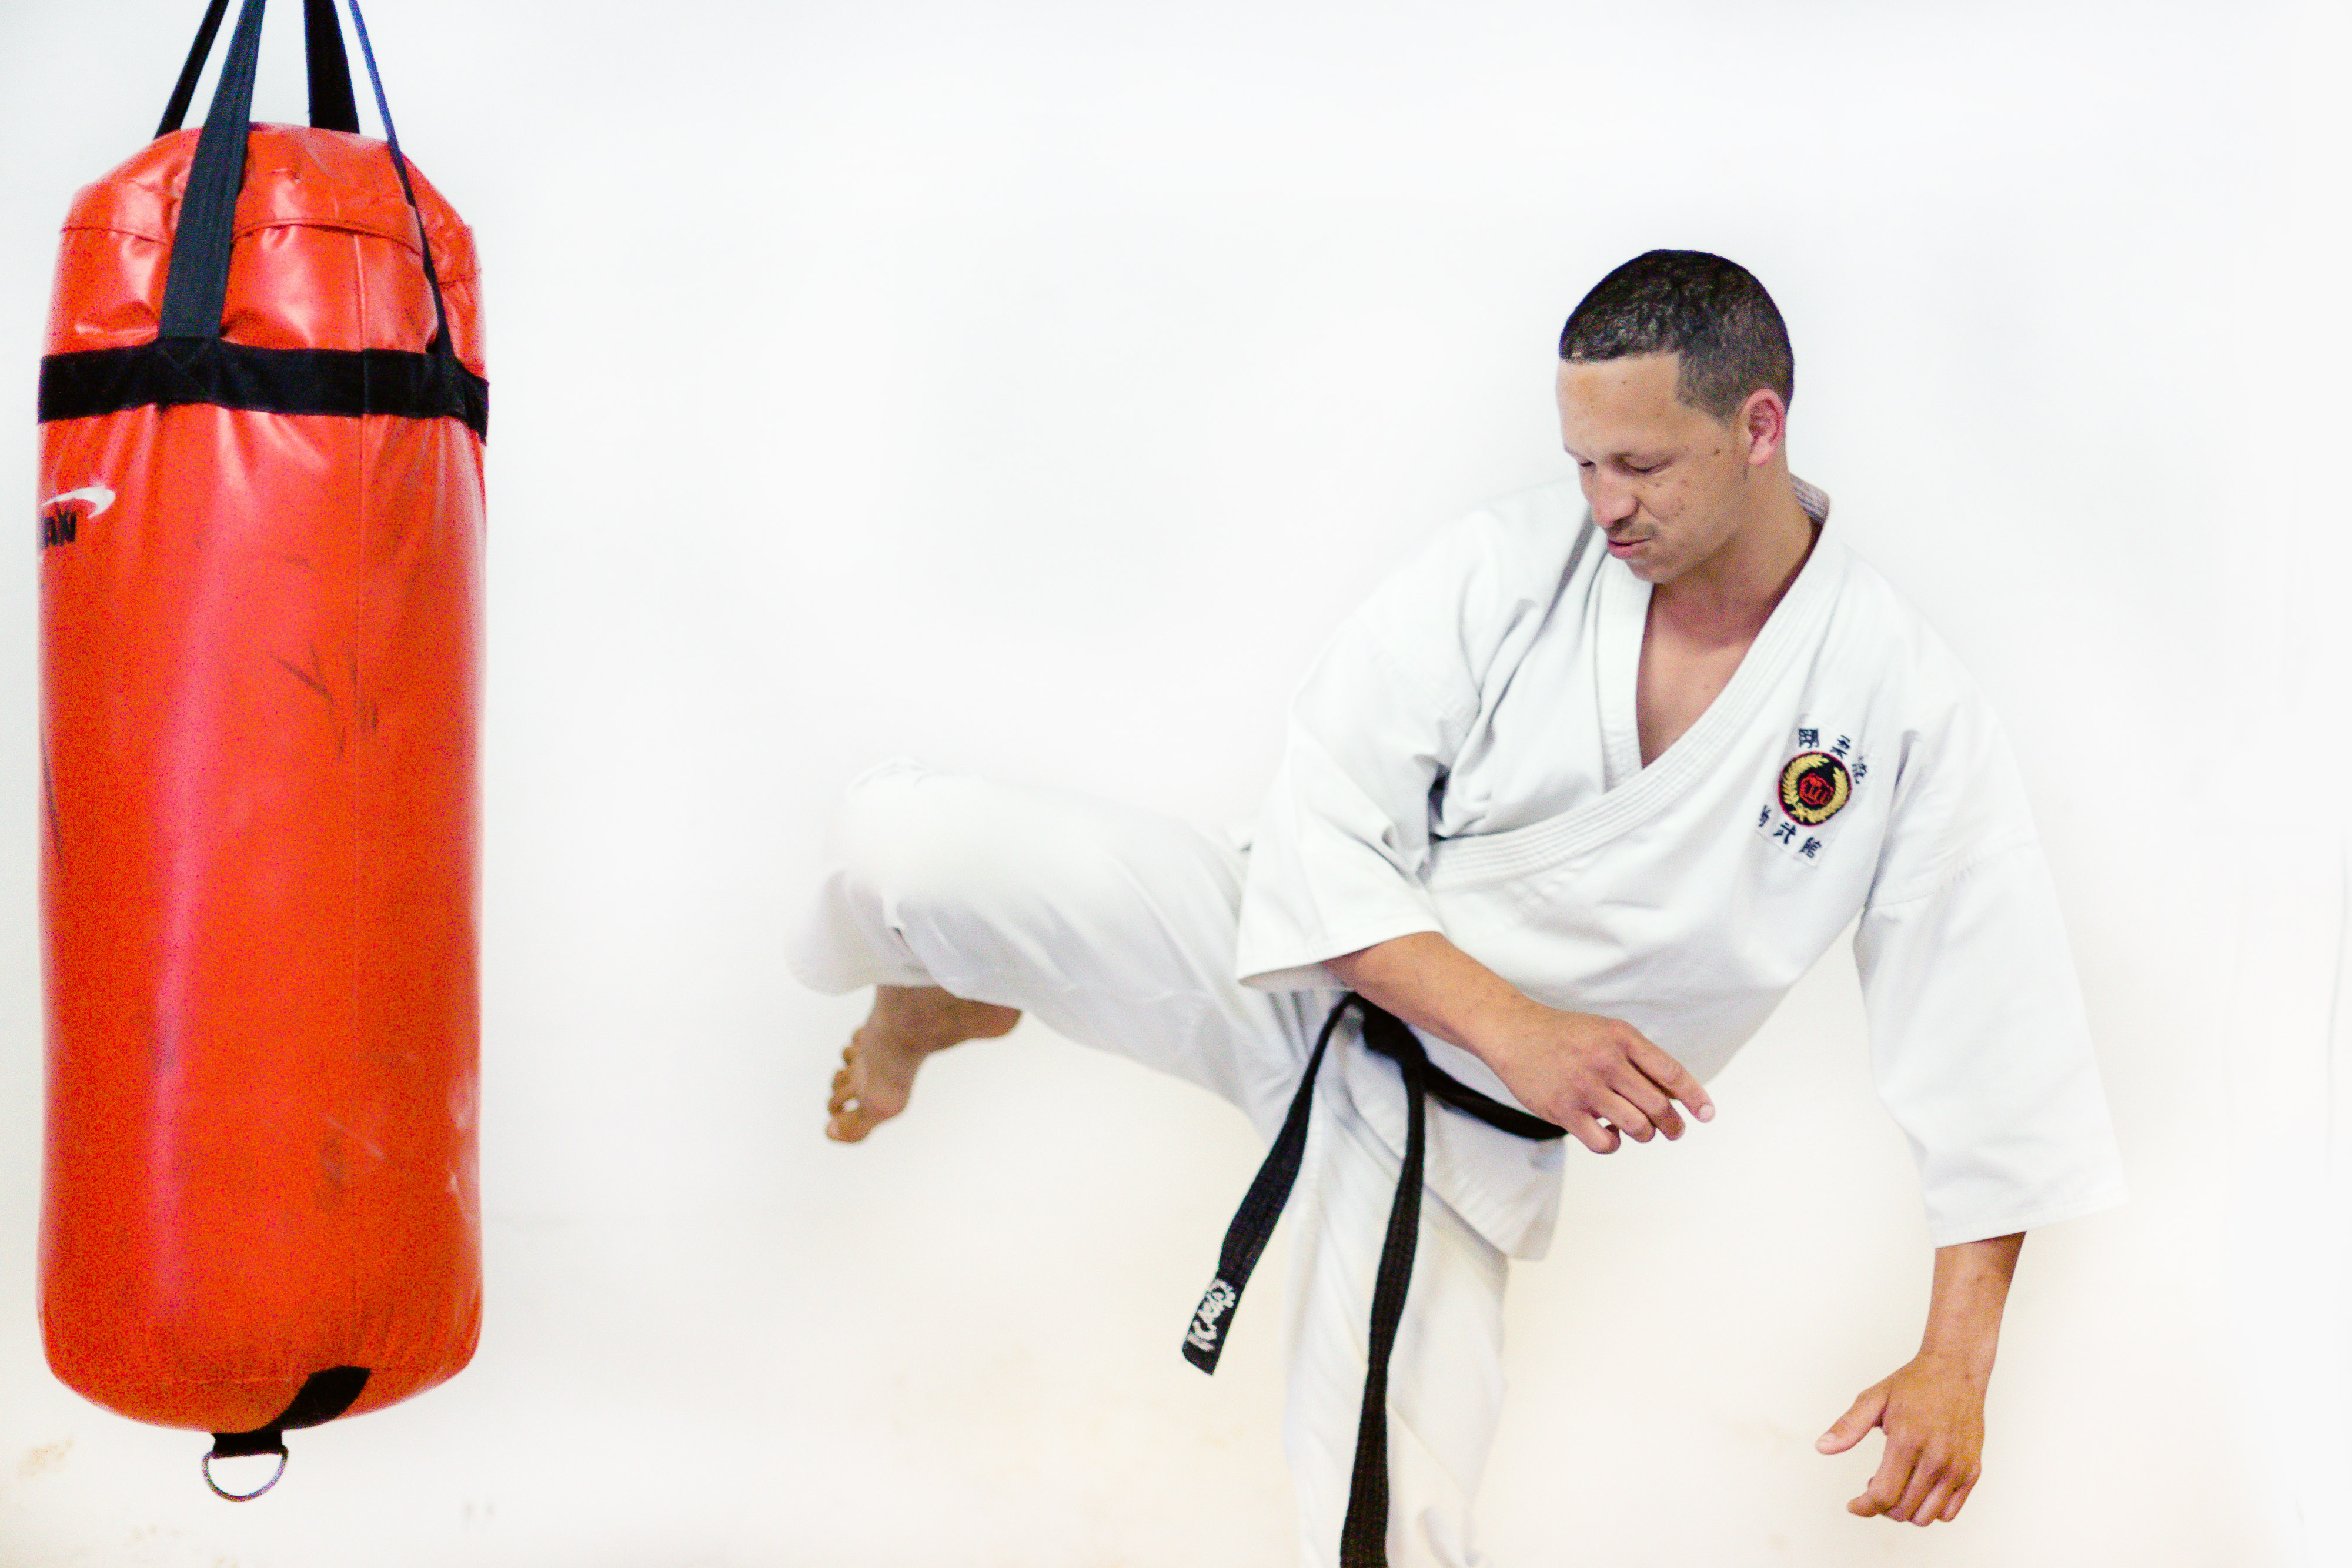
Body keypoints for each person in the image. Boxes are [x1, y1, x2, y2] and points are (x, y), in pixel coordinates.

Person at [789, 250, 2126, 1567]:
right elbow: (1320, 829)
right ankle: (936, 987)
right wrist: (1517, 1027)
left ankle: (972, 970)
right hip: (1281, 961)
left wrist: (1956, 1364)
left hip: (1443, 1137)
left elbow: (1986, 1030)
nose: (1604, 505)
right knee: (896, 845)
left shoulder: (1897, 701)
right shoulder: (1509, 566)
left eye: (1640, 464)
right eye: (1582, 462)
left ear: (1758, 427)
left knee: (1390, 1535)